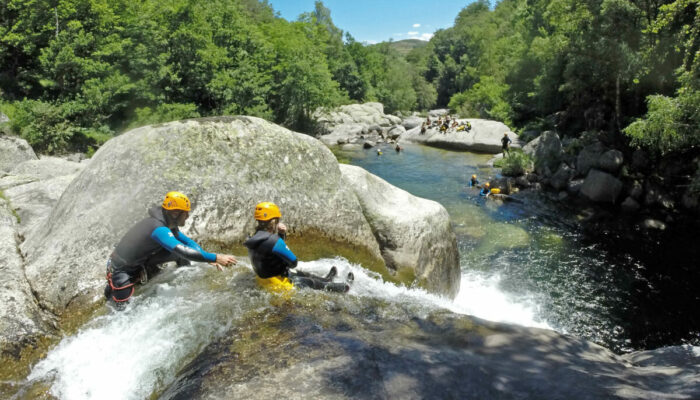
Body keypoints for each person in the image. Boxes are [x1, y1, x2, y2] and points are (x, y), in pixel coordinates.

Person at [105, 191, 237, 307]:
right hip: (123, 269)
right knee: (123, 309)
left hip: (142, 261)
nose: (188, 216)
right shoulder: (159, 228)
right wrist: (216, 257)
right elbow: (182, 250)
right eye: (185, 213)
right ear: (175, 213)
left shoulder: (168, 223)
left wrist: (205, 256)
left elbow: (186, 242)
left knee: (179, 254)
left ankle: (187, 281)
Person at [244, 202, 351, 293]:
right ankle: (344, 287)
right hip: (280, 286)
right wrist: (281, 237)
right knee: (309, 282)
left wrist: (281, 235)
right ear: (274, 221)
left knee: (300, 273)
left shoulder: (252, 237)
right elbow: (293, 262)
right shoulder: (274, 241)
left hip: (265, 280)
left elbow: (270, 250)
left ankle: (327, 279)